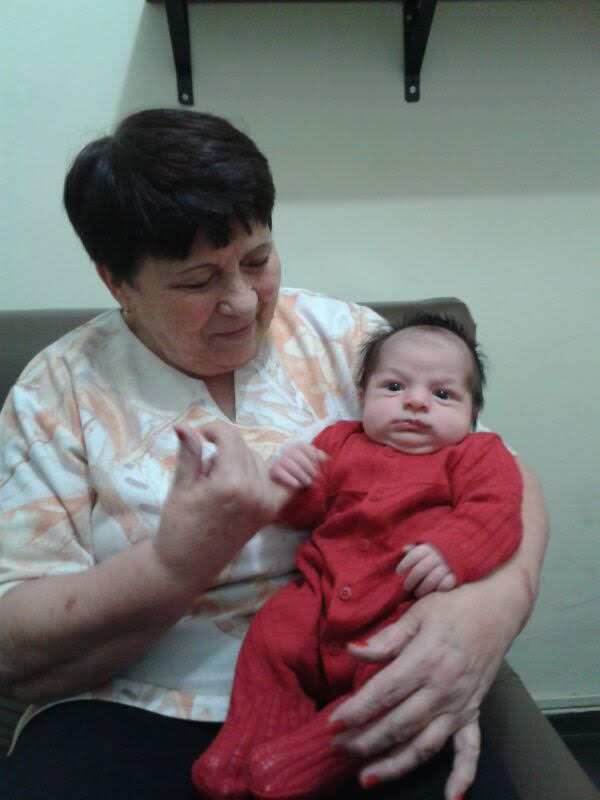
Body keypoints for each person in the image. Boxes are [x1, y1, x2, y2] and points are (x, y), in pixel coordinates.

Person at [0, 108, 548, 800]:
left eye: (257, 261)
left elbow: (502, 474)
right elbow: (13, 645)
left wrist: (496, 605)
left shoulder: (346, 337)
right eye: (197, 281)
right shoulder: (60, 389)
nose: (241, 302)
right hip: (129, 702)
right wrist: (175, 563)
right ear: (117, 281)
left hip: (366, 669)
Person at [192, 316, 523, 800]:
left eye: (443, 394)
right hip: (319, 597)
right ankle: (249, 736)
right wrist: (290, 478)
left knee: (399, 675)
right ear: (363, 396)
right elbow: (302, 512)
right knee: (272, 636)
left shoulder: (476, 454)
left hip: (400, 610)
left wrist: (454, 548)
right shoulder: (339, 441)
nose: (416, 401)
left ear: (472, 414)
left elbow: (498, 510)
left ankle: (334, 747)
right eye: (395, 386)